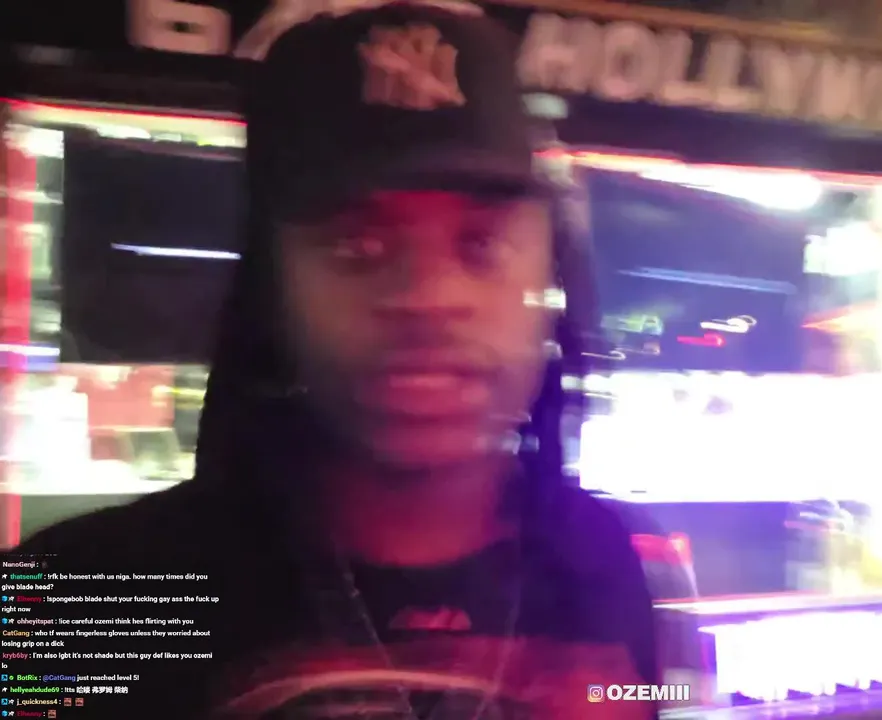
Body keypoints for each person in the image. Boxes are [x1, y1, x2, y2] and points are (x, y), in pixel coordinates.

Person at [10, 4, 657, 718]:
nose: (428, 297)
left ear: (546, 275)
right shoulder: (77, 594)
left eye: (481, 245)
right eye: (356, 247)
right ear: (274, 289)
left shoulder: (605, 564)